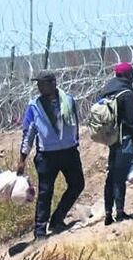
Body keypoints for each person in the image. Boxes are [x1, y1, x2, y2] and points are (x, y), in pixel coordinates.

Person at [17, 71, 84, 241]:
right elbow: (28, 133)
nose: (39, 87)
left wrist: (74, 141)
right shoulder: (34, 106)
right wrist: (22, 158)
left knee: (77, 185)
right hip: (47, 155)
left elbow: (75, 122)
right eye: (38, 84)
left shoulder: (68, 101)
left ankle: (57, 219)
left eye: (43, 83)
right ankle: (40, 231)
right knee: (46, 192)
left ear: (53, 83)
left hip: (69, 152)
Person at [97, 62, 133, 225]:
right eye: (132, 74)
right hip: (125, 140)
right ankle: (120, 212)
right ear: (128, 76)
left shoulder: (106, 91)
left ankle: (108, 213)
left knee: (111, 176)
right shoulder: (126, 93)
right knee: (119, 177)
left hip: (111, 139)